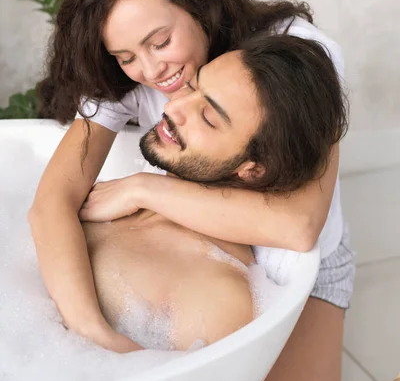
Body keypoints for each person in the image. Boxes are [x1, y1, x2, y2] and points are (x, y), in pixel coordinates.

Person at [29, 0, 354, 381]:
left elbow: (298, 226)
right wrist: (95, 335)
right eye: (126, 55)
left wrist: (143, 188)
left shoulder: (297, 57)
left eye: (161, 41)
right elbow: (52, 202)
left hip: (300, 272)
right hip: (204, 247)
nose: (153, 72)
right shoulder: (129, 78)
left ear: (199, 6)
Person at [83, 34, 344, 352]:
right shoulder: (115, 195)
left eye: (208, 118)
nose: (174, 107)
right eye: (193, 87)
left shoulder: (216, 295)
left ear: (253, 168)